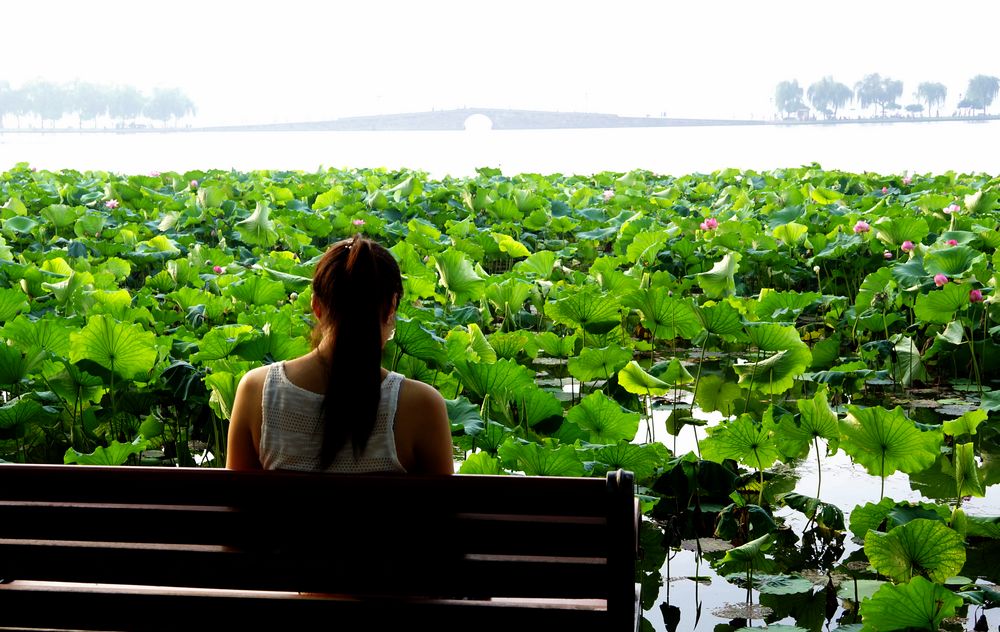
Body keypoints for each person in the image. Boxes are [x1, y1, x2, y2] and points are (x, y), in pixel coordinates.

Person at [226, 234, 453, 475]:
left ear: (316, 306)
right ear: (391, 307)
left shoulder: (257, 391)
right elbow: (444, 510)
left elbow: (235, 501)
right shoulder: (422, 406)